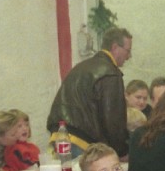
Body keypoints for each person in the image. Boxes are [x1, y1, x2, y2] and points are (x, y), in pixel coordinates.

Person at [47, 26, 133, 159]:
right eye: (128, 51)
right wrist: (122, 151)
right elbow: (112, 120)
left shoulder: (82, 66)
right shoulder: (110, 73)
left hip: (59, 136)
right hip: (82, 142)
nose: (129, 57)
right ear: (115, 47)